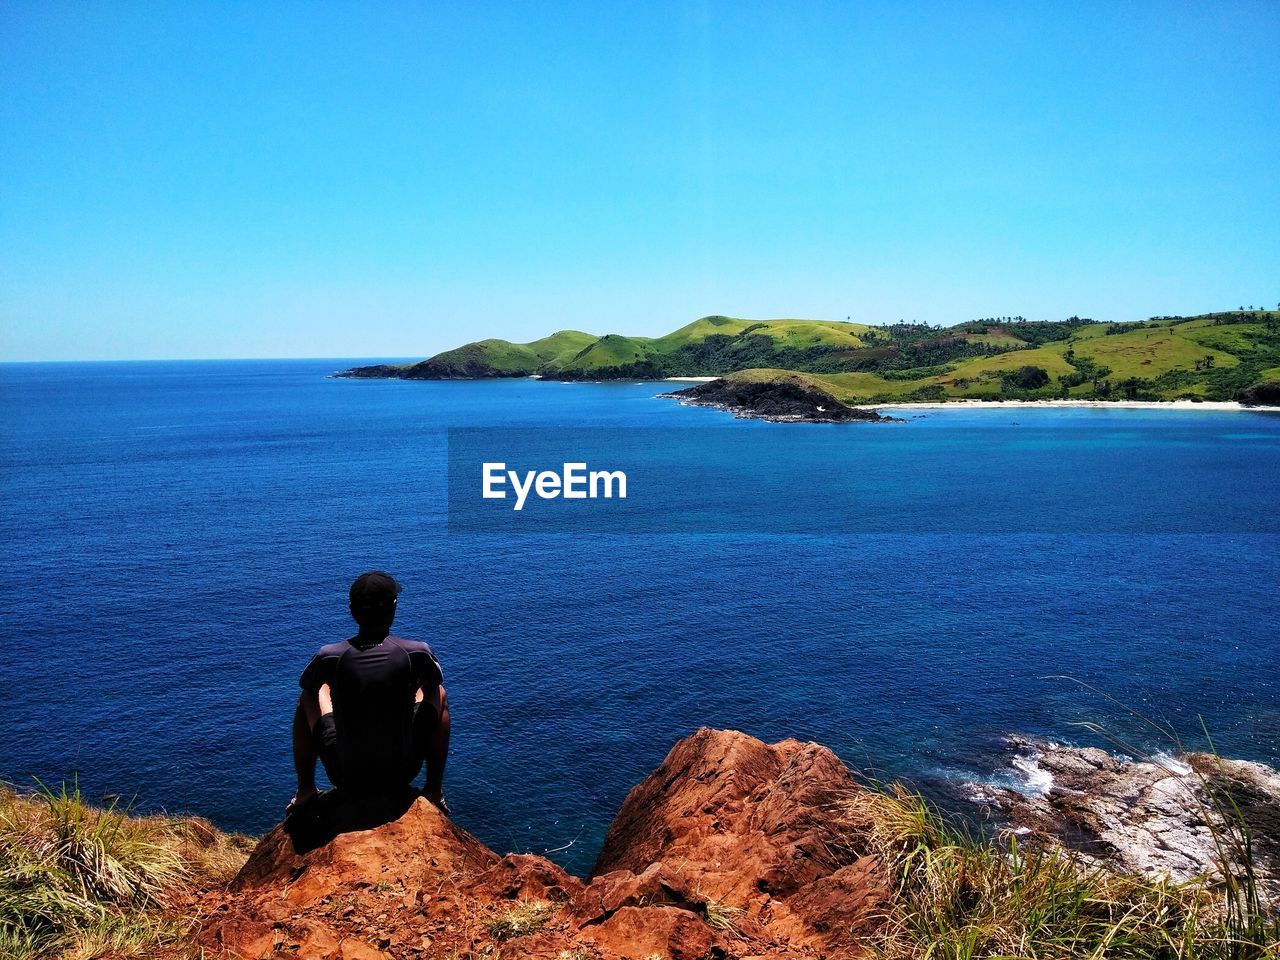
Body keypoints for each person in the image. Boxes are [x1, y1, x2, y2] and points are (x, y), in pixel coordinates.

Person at [289, 571, 450, 813]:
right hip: (402, 771)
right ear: (393, 608)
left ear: (352, 610)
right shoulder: (415, 652)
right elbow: (431, 685)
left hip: (345, 774)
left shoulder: (330, 655)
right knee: (437, 691)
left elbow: (308, 687)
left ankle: (305, 790)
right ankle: (434, 790)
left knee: (309, 695)